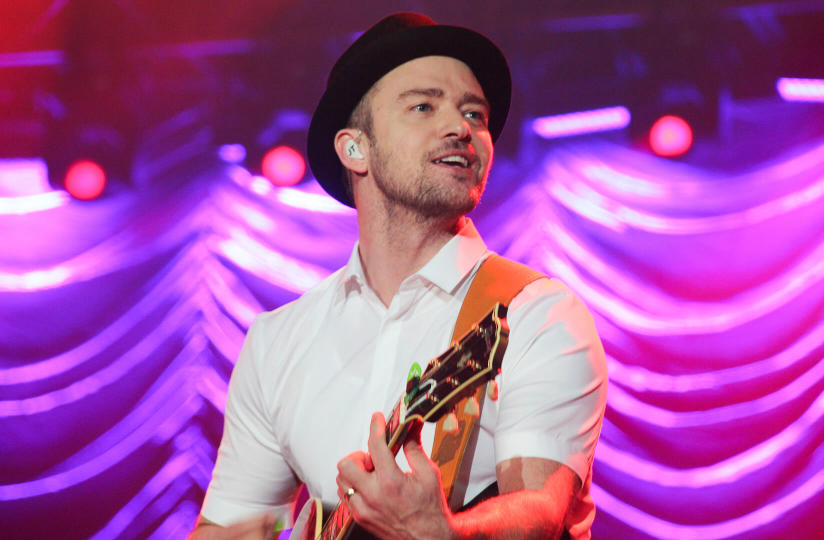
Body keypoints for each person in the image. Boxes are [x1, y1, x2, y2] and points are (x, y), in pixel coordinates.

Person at [191, 12, 607, 540]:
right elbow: (235, 527)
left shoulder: (533, 315)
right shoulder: (278, 341)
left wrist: (442, 533)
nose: (462, 127)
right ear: (355, 148)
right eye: (423, 106)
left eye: (474, 114)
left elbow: (542, 512)